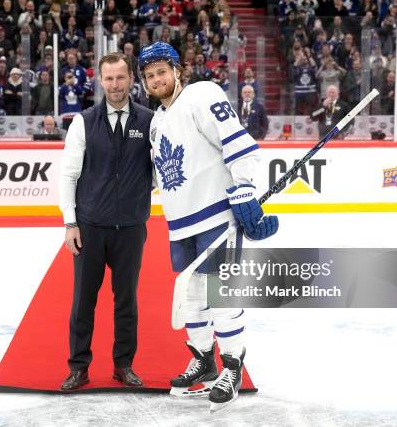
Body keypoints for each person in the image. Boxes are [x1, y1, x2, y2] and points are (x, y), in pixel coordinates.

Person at [138, 42, 278, 412]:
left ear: (176, 71)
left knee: (221, 292)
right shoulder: (156, 122)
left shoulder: (202, 95)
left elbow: (238, 144)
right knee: (191, 294)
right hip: (180, 224)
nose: (156, 79)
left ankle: (232, 365)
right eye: (150, 76)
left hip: (215, 214)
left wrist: (245, 191)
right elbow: (159, 178)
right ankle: (204, 358)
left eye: (161, 72)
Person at [58, 52, 154, 392]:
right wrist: (71, 223)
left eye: (121, 77)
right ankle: (78, 366)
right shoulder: (83, 121)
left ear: (131, 79)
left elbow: (160, 173)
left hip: (131, 227)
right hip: (91, 227)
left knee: (126, 300)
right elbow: (68, 175)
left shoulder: (149, 120)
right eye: (109, 78)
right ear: (100, 80)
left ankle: (123, 365)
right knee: (83, 300)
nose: (115, 85)